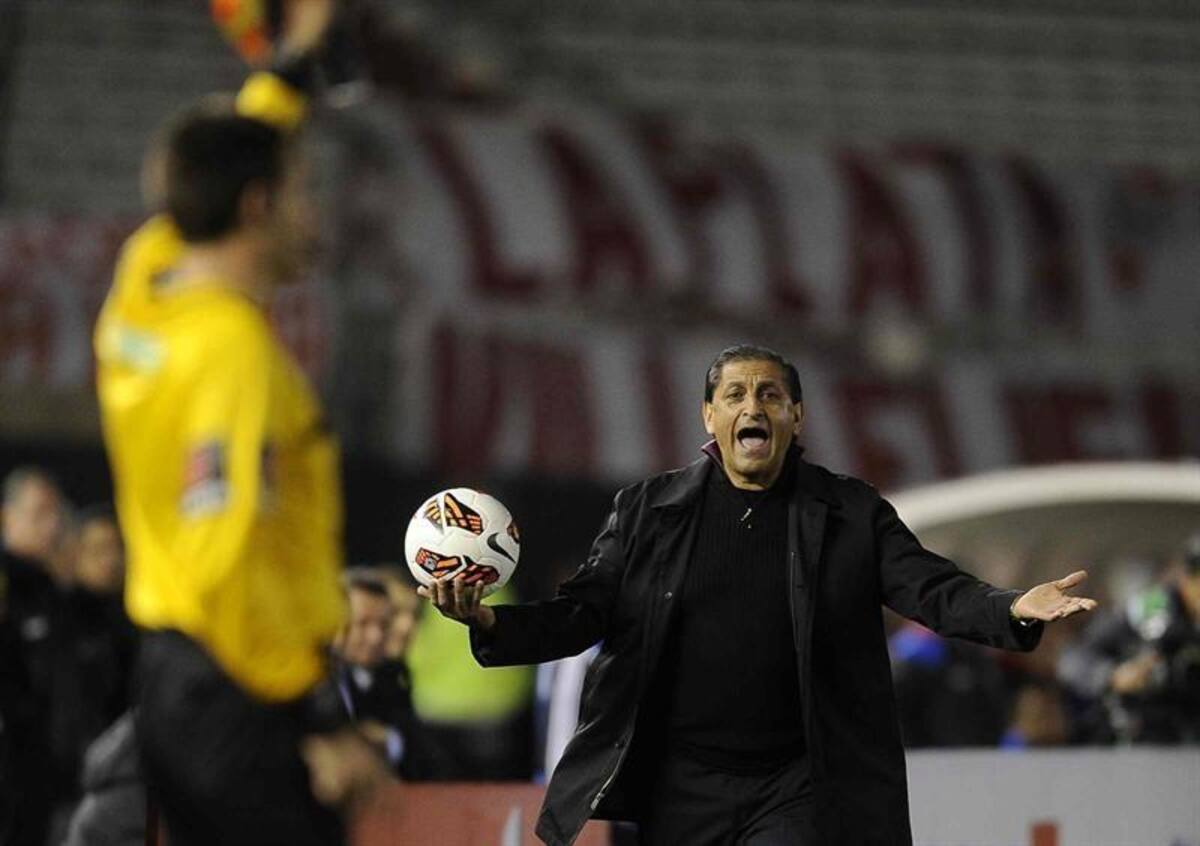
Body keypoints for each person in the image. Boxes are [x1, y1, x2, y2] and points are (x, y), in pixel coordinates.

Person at [423, 344, 1099, 846]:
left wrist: (1011, 607)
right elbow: (583, 611)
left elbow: (932, 587)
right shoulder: (648, 512)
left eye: (771, 395)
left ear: (795, 416)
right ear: (709, 415)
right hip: (681, 783)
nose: (754, 407)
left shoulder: (850, 512)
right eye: (737, 394)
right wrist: (490, 622)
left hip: (798, 782)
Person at [94, 3, 384, 844]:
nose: (312, 211)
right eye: (301, 192)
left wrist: (290, 67)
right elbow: (227, 558)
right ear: (257, 208)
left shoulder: (145, 287)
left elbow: (212, 173)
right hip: (236, 686)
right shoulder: (233, 357)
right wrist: (316, 713)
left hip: (178, 671)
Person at [1058, 532, 1200, 744]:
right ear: (1187, 578)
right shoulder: (1148, 610)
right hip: (1144, 732)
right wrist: (1114, 676)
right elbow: (1073, 657)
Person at [1, 466, 67, 846]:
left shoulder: (51, 591)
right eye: (39, 513)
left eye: (55, 513)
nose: (52, 525)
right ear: (6, 517)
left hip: (43, 775)